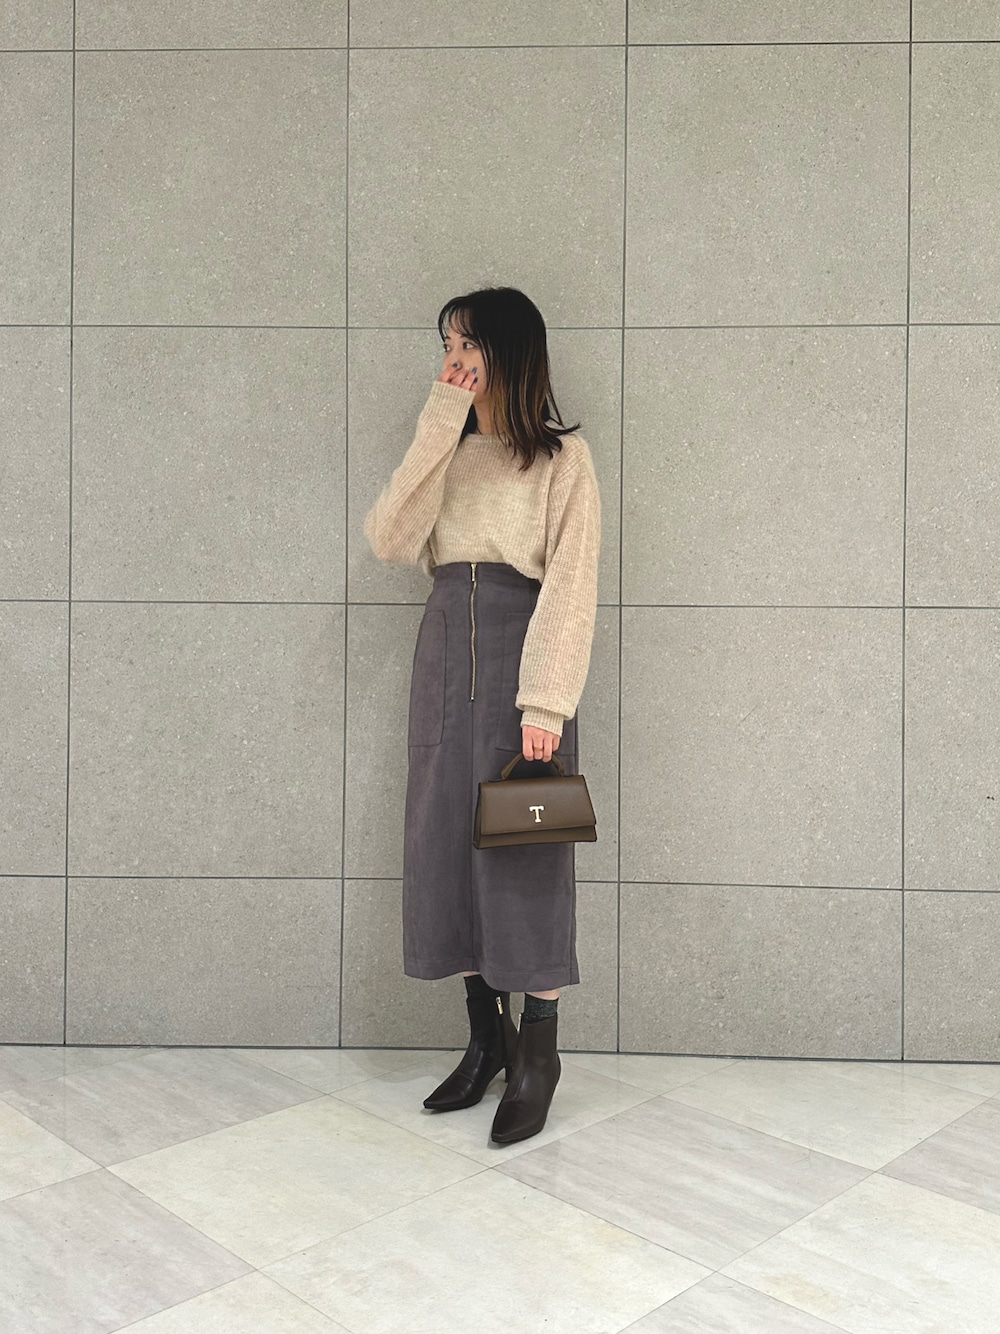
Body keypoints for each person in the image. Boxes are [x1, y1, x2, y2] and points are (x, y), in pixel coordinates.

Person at [363, 285, 601, 1144]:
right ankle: (485, 1039)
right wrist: (438, 423)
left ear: (509, 350)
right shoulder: (448, 451)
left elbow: (571, 584)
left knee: (525, 855)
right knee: (447, 848)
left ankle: (538, 1053)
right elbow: (391, 540)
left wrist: (545, 702)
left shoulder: (562, 460)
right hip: (443, 660)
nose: (454, 358)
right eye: (446, 345)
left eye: (467, 344)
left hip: (520, 662)